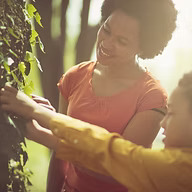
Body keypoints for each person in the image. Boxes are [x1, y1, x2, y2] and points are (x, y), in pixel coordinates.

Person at [49, 0, 177, 191]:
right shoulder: (74, 77)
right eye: (106, 30)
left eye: (122, 41)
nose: (107, 44)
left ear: (143, 47)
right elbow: (58, 155)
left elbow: (116, 169)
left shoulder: (152, 98)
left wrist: (39, 122)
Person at [0, 71, 192, 192]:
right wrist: (39, 133)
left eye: (172, 113)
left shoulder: (181, 170)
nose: (163, 123)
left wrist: (38, 112)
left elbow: (111, 152)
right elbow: (109, 156)